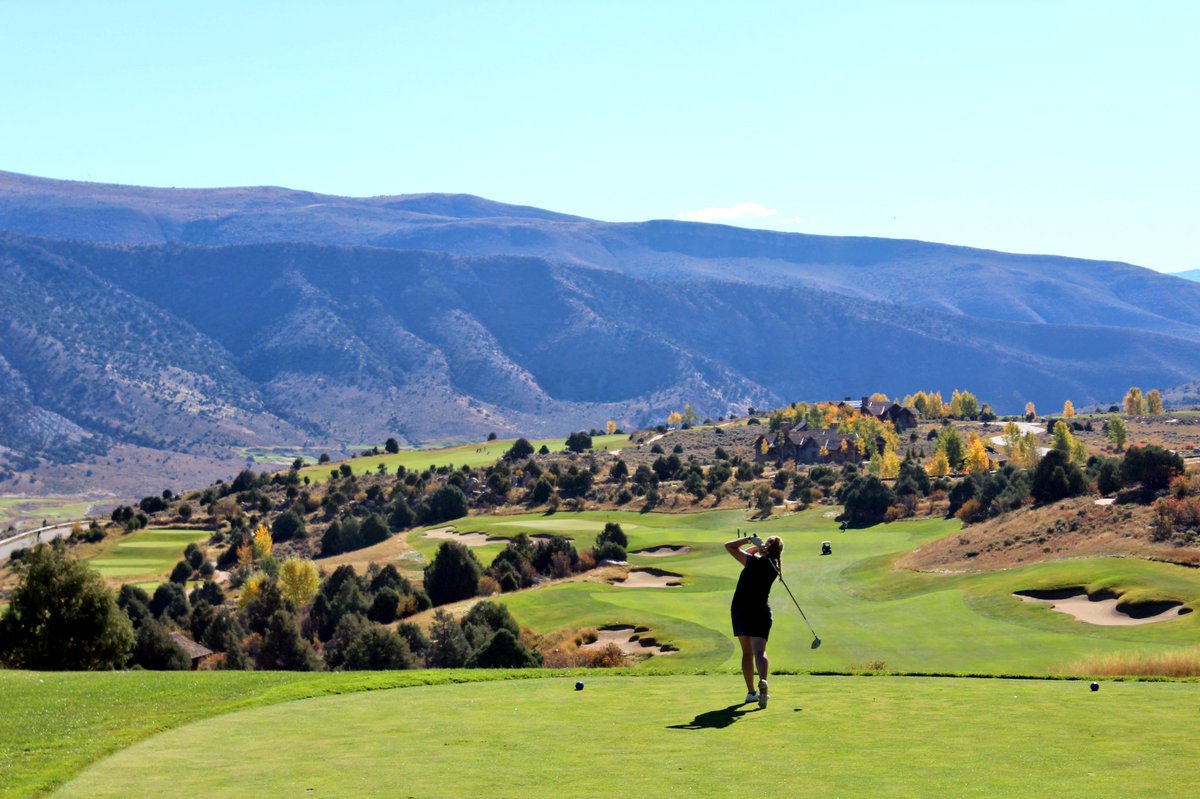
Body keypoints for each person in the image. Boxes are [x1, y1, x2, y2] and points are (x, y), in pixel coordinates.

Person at [724, 533, 783, 708]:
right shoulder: (774, 567)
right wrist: (759, 548)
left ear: (767, 547)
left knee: (747, 653)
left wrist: (750, 540)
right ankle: (763, 681)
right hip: (760, 611)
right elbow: (751, 553)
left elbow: (730, 546)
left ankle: (751, 693)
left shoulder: (753, 562)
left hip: (741, 610)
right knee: (760, 651)